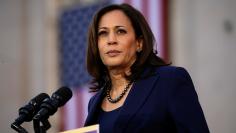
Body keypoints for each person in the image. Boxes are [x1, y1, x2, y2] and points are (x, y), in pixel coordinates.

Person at [84, 3, 209, 133]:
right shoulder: (94, 103)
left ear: (139, 43)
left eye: (120, 31)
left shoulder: (170, 81)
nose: (111, 40)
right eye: (103, 33)